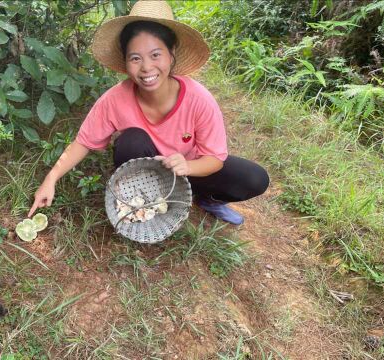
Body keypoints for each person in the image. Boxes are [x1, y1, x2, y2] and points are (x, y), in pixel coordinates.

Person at [28, 0, 269, 225]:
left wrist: (187, 166)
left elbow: (214, 159)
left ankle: (206, 199)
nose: (146, 68)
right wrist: (51, 179)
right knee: (131, 140)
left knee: (255, 179)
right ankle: (143, 200)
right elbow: (83, 142)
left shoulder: (199, 100)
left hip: (187, 167)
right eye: (135, 58)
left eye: (155, 55)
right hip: (147, 172)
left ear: (171, 54)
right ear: (125, 61)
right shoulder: (114, 100)